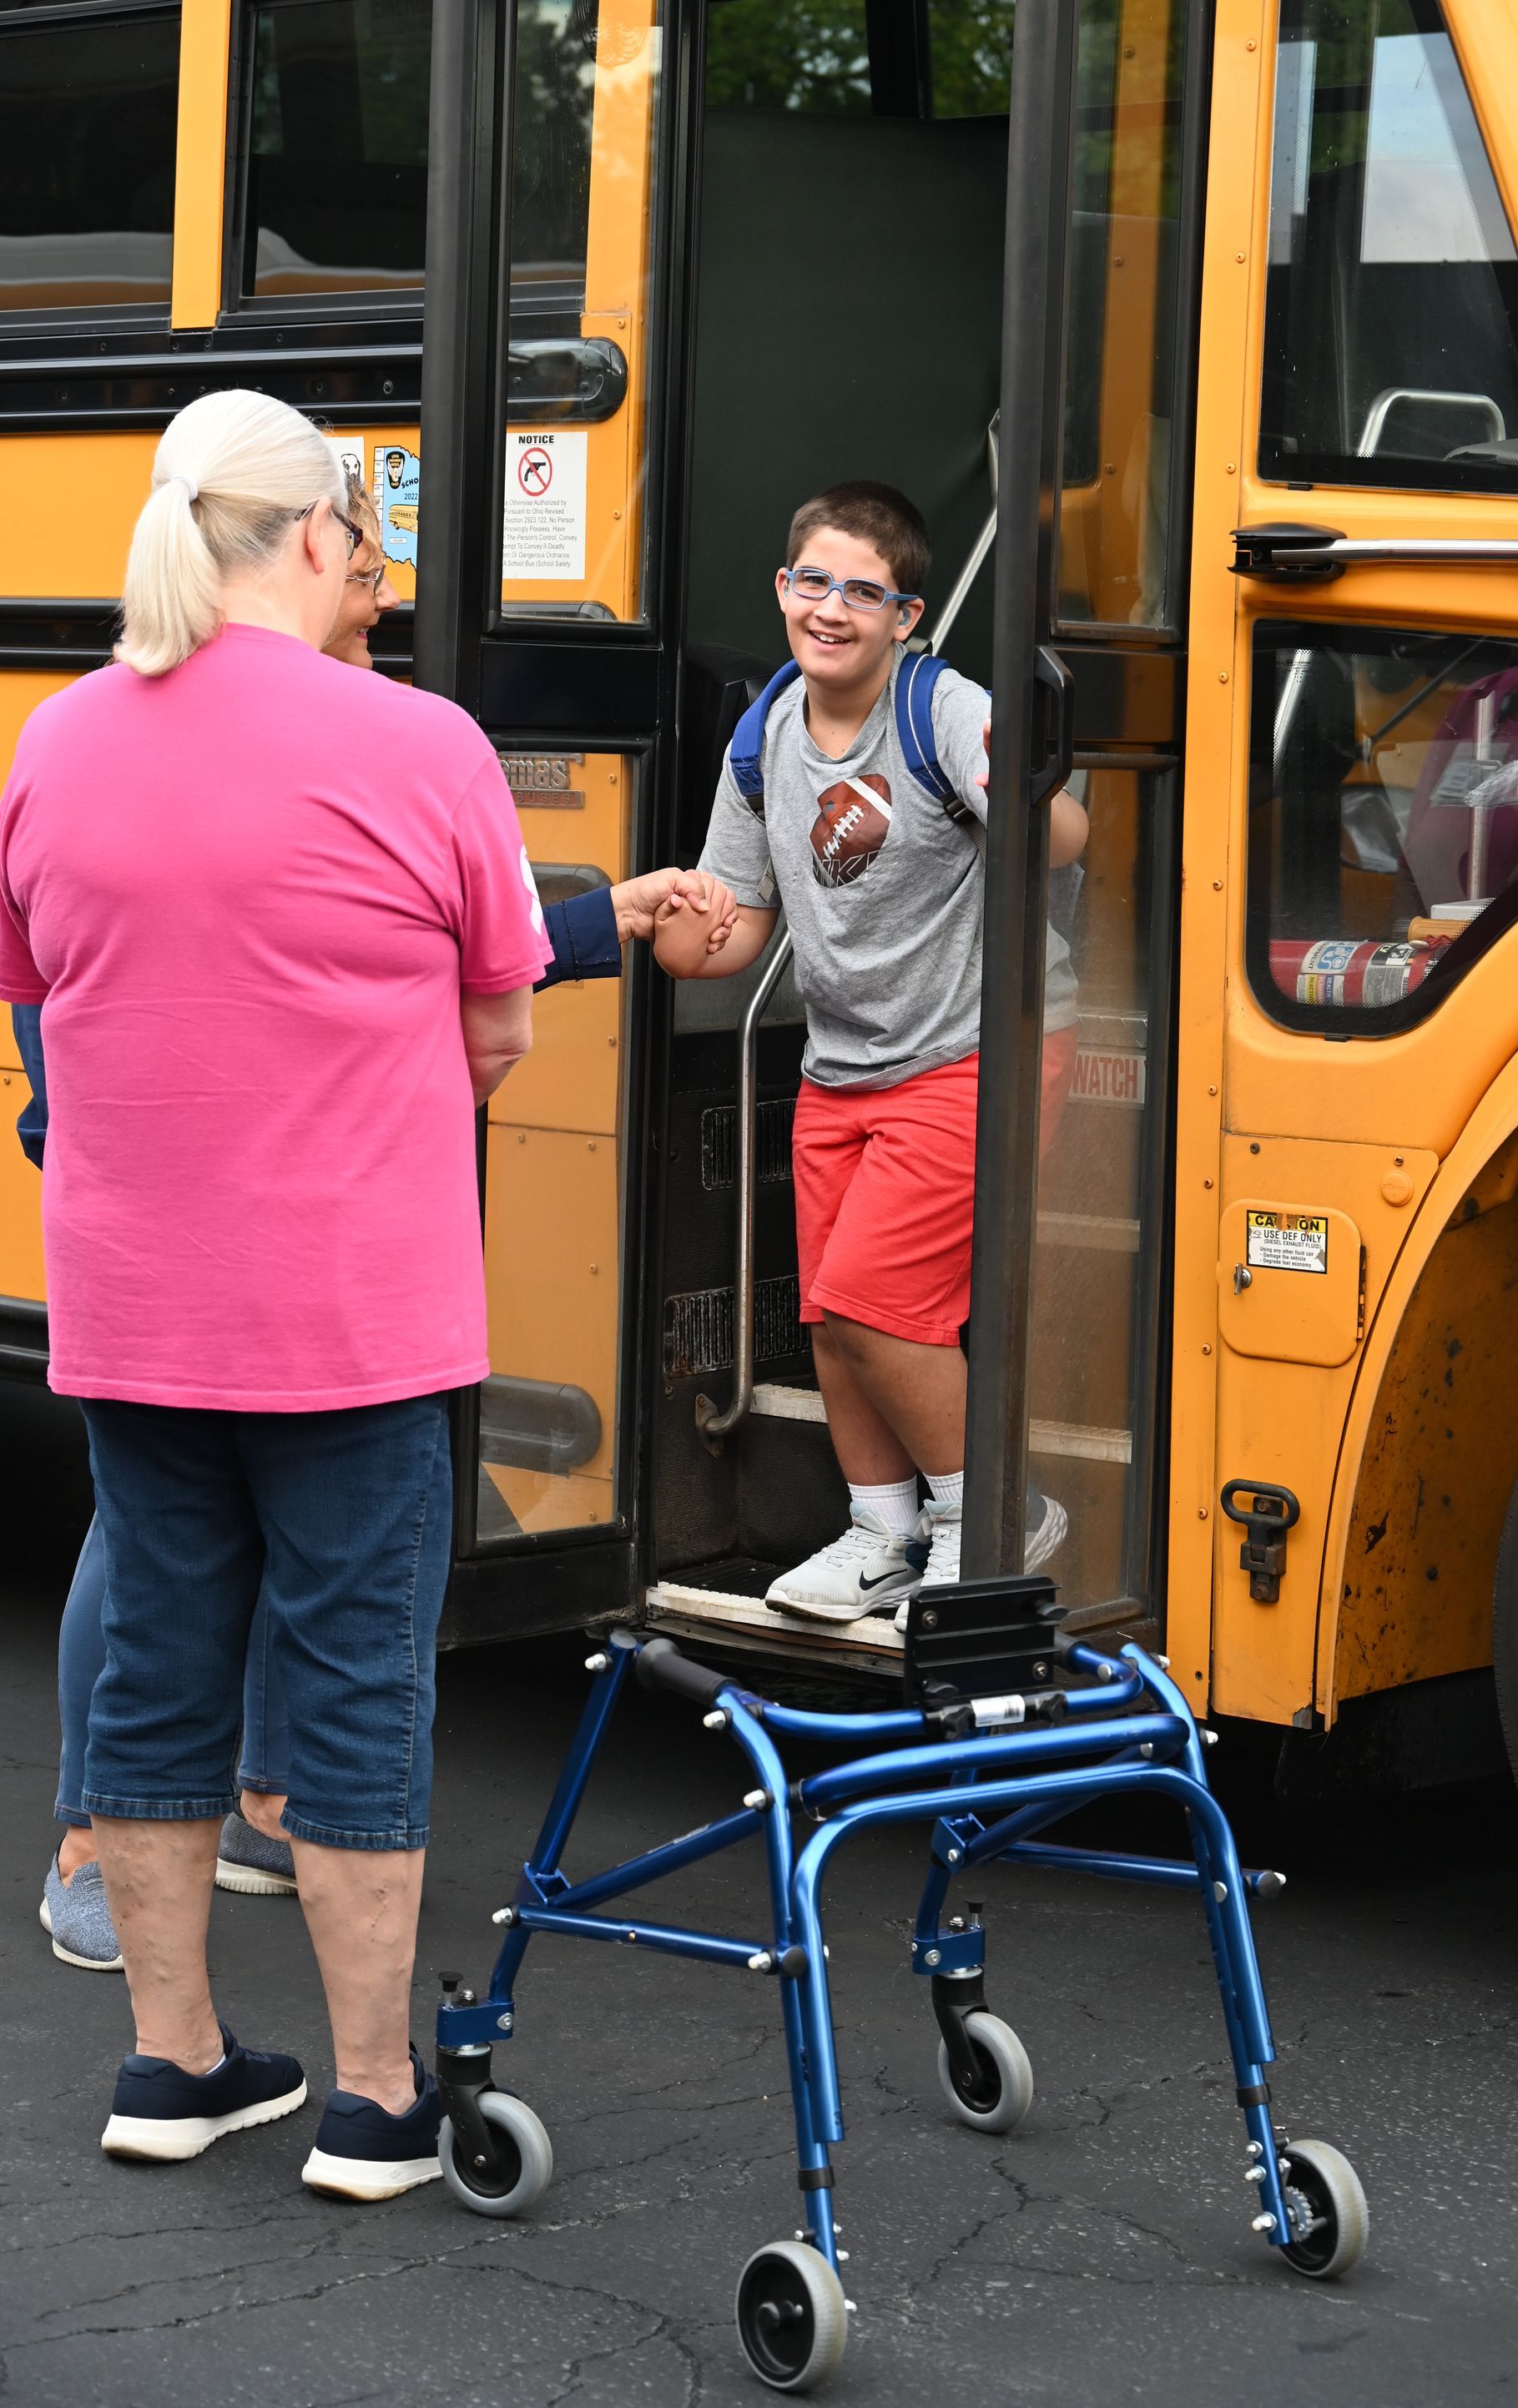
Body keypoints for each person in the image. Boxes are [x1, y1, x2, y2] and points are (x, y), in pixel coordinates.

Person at [0, 387, 733, 2195]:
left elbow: (48, 1000)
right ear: (324, 535)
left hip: (131, 1316)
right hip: (350, 1317)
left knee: (159, 1688)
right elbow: (492, 1024)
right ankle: (372, 2098)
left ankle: (170, 2070)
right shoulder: (421, 748)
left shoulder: (57, 742)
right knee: (348, 1696)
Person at [28, 471, 406, 1972]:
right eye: (365, 557)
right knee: (152, 1547)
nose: (379, 583)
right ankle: (83, 1841)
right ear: (302, 545)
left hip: (209, 1205)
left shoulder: (337, 723)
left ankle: (251, 1803)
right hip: (188, 1208)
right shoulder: (125, 732)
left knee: (209, 1532)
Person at [653, 481, 1087, 1623]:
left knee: (875, 1301)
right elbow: (739, 926)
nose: (831, 607)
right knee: (831, 1319)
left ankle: (991, 1517)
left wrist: (1029, 794)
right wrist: (680, 935)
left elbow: (1067, 830)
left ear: (908, 614)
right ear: (781, 592)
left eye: (862, 589)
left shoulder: (941, 709)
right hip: (843, 1065)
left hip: (974, 1047)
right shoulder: (764, 733)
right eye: (812, 582)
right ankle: (882, 1529)